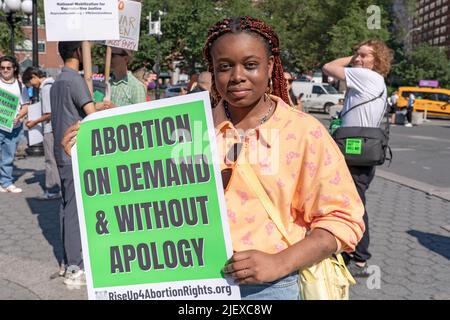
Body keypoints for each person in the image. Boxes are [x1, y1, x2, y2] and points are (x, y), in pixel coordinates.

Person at [62, 16, 365, 300]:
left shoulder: (303, 132)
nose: (237, 77)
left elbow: (343, 219)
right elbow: (145, 190)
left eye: (250, 65)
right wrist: (92, 145)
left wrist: (280, 262)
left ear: (271, 66)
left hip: (270, 288)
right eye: (224, 66)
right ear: (212, 70)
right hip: (192, 285)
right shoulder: (189, 127)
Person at [323, 39, 393, 277]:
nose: (358, 59)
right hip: (359, 149)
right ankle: (350, 249)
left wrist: (351, 60)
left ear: (377, 60)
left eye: (365, 55)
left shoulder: (368, 77)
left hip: (355, 151)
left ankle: (361, 258)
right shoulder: (373, 81)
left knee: (355, 204)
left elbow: (328, 66)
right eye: (357, 54)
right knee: (353, 201)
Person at [50, 41, 105, 288]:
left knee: (65, 207)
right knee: (73, 210)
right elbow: (91, 115)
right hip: (74, 150)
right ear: (77, 52)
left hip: (60, 151)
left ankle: (66, 261)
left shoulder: (57, 82)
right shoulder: (75, 80)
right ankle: (75, 265)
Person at [22, 67, 61, 200]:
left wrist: (34, 122)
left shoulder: (45, 88)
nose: (32, 87)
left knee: (50, 161)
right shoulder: (52, 84)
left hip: (50, 129)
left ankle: (52, 190)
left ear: (34, 76)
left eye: (30, 83)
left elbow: (49, 114)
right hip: (56, 128)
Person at [0, 56, 30, 193]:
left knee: (8, 156)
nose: (5, 70)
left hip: (13, 127)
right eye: (2, 68)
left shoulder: (20, 86)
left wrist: (19, 117)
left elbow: (25, 105)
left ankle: (6, 183)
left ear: (14, 69)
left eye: (8, 68)